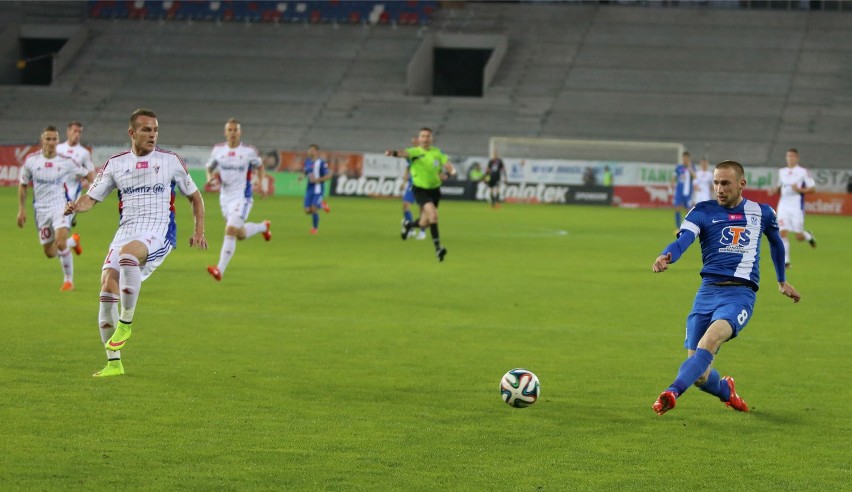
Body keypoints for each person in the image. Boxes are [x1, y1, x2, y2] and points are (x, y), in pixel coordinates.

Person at [650, 160, 801, 416]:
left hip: (739, 295)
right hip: (706, 292)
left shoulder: (762, 212)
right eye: (716, 183)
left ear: (742, 183)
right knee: (699, 374)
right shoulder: (702, 211)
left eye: (725, 183)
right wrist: (666, 255)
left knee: (709, 342)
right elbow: (684, 239)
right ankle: (726, 391)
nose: (719, 188)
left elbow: (776, 243)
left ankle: (671, 392)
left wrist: (781, 279)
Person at [64, 108, 207, 377]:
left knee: (128, 256)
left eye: (155, 130)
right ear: (132, 133)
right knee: (107, 288)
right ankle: (113, 363)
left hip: (159, 230)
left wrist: (199, 230)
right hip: (127, 230)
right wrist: (76, 207)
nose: (152, 135)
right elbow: (92, 197)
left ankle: (126, 322)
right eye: (146, 130)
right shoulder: (116, 164)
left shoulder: (170, 161)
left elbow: (195, 197)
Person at [18, 125, 94, 291]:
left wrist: (93, 193)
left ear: (58, 141)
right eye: (48, 139)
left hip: (60, 206)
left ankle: (68, 281)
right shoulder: (31, 161)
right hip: (41, 210)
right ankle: (73, 242)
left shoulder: (65, 161)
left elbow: (87, 173)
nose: (51, 142)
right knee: (50, 252)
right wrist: (21, 210)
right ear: (42, 140)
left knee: (60, 243)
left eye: (54, 139)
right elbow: (23, 185)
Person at [205, 118, 271, 282]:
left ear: (240, 132)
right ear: (225, 132)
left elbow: (260, 166)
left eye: (235, 130)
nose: (233, 133)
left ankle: (219, 269)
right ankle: (263, 227)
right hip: (225, 198)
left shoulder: (248, 152)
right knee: (239, 234)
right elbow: (209, 167)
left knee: (230, 230)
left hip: (242, 197)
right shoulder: (218, 150)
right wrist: (210, 178)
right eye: (230, 130)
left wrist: (261, 184)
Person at [386, 127, 457, 261]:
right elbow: (403, 153)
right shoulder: (414, 152)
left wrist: (448, 174)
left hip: (435, 190)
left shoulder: (437, 152)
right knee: (434, 215)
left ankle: (408, 225)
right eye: (422, 136)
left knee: (425, 223)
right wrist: (392, 153)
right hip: (420, 189)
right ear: (419, 139)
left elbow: (449, 166)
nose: (425, 139)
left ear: (431, 139)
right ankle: (438, 249)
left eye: (427, 136)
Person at [767, 148, 816, 268]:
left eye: (793, 156)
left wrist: (800, 190)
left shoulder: (803, 172)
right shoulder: (782, 171)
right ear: (786, 157)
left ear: (797, 158)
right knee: (782, 231)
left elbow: (812, 189)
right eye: (788, 156)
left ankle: (808, 235)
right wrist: (775, 190)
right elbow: (780, 186)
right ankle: (786, 261)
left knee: (798, 236)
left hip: (796, 206)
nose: (790, 158)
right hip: (783, 205)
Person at [57, 121, 96, 227]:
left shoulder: (84, 153)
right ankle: (74, 242)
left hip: (72, 191)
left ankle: (70, 222)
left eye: (80, 132)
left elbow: (91, 172)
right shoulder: (58, 149)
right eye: (75, 131)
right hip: (56, 190)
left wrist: (93, 190)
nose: (77, 134)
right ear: (68, 132)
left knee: (62, 225)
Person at [297, 144, 331, 234]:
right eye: (309, 150)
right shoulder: (307, 161)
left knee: (314, 208)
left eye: (312, 150)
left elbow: (329, 175)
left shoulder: (321, 163)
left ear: (316, 152)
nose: (310, 152)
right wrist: (302, 176)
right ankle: (322, 205)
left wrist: (318, 180)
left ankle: (315, 228)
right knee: (307, 211)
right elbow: (306, 171)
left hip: (318, 189)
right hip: (309, 189)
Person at [400, 137, 426, 240]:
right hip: (412, 184)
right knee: (405, 206)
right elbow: (408, 167)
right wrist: (404, 182)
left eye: (416, 142)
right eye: (413, 142)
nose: (414, 144)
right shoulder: (410, 154)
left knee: (421, 208)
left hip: (423, 184)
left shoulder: (424, 154)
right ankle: (410, 229)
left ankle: (422, 232)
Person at [670, 151, 695, 230]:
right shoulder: (679, 167)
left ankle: (690, 227)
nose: (685, 159)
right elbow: (674, 177)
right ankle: (678, 227)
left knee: (688, 210)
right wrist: (672, 184)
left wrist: (690, 169)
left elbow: (695, 177)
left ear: (689, 158)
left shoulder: (692, 167)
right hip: (679, 191)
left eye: (686, 158)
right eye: (684, 158)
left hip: (688, 192)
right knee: (677, 207)